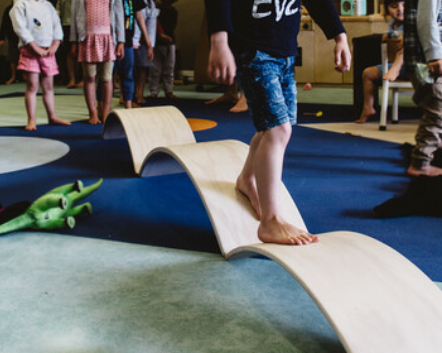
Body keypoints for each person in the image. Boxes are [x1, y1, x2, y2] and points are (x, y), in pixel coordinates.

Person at [205, 0, 351, 245]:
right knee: (277, 129)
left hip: (284, 51)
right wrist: (219, 40)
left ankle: (246, 179)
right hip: (252, 50)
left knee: (276, 126)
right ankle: (270, 220)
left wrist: (339, 35)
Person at [10, 0, 71, 131]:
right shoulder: (21, 4)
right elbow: (19, 27)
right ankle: (31, 119)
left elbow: (56, 25)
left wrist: (55, 43)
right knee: (32, 84)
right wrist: (33, 46)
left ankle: (52, 116)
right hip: (30, 49)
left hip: (48, 50)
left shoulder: (47, 5)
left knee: (48, 86)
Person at [70, 0, 125, 124]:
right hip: (87, 38)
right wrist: (74, 41)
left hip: (108, 38)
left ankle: (106, 112)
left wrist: (121, 40)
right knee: (89, 77)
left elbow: (119, 14)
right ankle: (93, 112)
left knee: (107, 77)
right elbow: (74, 16)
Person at [404, 0, 442, 176]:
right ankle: (421, 163)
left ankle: (435, 151)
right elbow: (426, 20)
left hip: (428, 59)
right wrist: (433, 54)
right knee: (437, 109)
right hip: (426, 61)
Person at [355, 0, 406, 123]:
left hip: (407, 66)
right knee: (367, 73)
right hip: (394, 64)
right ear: (387, 10)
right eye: (394, 6)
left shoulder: (411, 24)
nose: (400, 9)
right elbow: (388, 36)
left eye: (404, 5)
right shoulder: (393, 24)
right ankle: (368, 107)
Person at [149, 0, 178, 99]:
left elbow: (172, 26)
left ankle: (169, 90)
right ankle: (154, 90)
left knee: (169, 68)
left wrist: (168, 38)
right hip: (157, 41)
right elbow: (153, 24)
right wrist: (160, 36)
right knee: (155, 69)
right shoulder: (156, 9)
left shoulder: (173, 11)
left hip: (170, 41)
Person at [133, 0, 158, 104]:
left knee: (143, 67)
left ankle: (140, 93)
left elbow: (152, 25)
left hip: (144, 39)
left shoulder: (151, 3)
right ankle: (125, 95)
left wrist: (150, 45)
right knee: (129, 68)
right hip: (131, 37)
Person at [56, 0, 83, 88]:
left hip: (81, 24)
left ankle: (83, 78)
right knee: (70, 53)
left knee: (81, 52)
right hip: (66, 24)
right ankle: (72, 79)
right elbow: (58, 9)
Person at [0, 2, 19, 85]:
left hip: (26, 36)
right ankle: (13, 76)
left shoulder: (28, 7)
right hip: (13, 36)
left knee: (27, 57)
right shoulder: (9, 9)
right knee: (12, 58)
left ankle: (25, 75)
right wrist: (1, 38)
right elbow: (4, 23)